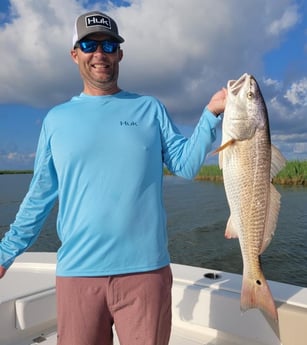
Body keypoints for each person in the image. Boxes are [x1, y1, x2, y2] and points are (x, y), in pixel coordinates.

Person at [0, 10, 226, 345]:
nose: (100, 53)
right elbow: (40, 195)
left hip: (146, 272)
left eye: (109, 45)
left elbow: (186, 165)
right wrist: (5, 253)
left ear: (120, 53)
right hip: (78, 273)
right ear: (75, 53)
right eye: (90, 44)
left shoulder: (150, 108)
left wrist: (210, 114)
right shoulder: (56, 119)